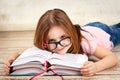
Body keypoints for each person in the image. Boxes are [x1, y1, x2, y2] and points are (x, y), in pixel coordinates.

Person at [4, 8, 119, 76]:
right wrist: (13, 58)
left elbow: (112, 58)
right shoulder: (46, 44)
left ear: (70, 32)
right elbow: (22, 52)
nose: (59, 46)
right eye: (52, 41)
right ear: (45, 41)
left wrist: (96, 67)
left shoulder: (84, 41)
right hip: (88, 27)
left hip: (104, 33)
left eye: (63, 37)